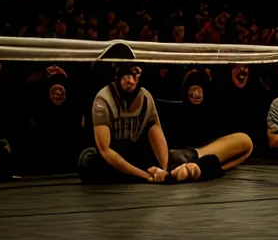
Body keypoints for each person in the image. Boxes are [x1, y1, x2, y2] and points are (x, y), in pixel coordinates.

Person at [77, 44, 252, 183]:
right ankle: (194, 171)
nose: (130, 80)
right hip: (123, 164)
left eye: (135, 74)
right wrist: (148, 176)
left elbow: (156, 132)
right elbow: (106, 151)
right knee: (88, 161)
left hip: (156, 158)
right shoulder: (103, 100)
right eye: (126, 74)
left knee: (245, 143)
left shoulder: (145, 98)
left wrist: (165, 170)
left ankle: (193, 170)